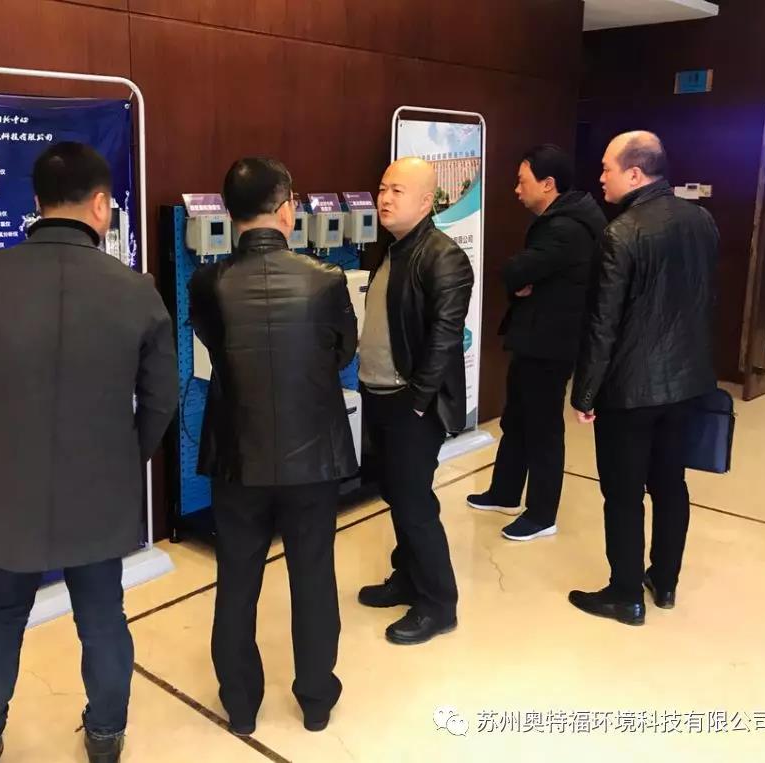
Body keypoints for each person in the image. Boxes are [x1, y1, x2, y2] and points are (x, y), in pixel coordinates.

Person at [0, 142, 178, 763]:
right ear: (100, 204)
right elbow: (161, 399)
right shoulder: (136, 290)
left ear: (38, 202)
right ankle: (105, 738)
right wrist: (126, 460)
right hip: (100, 487)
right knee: (102, 617)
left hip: (3, 486)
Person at [188, 158, 357, 736]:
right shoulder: (327, 279)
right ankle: (315, 700)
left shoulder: (206, 282)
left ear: (228, 212)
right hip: (314, 458)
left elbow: (215, 345)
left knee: (237, 581)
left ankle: (240, 705)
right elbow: (341, 352)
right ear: (287, 209)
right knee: (314, 576)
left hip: (238, 458)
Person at [569, 131, 718, 626]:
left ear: (634, 174)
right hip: (689, 383)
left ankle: (625, 594)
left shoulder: (621, 232)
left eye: (607, 168)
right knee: (671, 484)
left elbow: (602, 323)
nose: (600, 177)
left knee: (624, 493)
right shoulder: (702, 220)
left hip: (630, 390)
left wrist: (585, 392)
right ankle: (666, 581)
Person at [357, 157, 474, 645]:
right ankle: (406, 577)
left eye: (397, 191)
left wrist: (419, 402)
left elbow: (445, 339)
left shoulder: (443, 256)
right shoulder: (393, 248)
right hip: (380, 396)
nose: (384, 198)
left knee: (414, 504)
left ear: (426, 202)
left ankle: (439, 604)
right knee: (396, 495)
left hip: (411, 404)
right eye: (383, 188)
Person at [467, 145, 606, 541]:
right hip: (535, 336)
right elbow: (524, 275)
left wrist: (520, 278)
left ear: (548, 184)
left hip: (551, 342)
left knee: (543, 427)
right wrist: (524, 281)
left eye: (522, 181)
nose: (516, 189)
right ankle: (505, 491)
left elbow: (515, 269)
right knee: (517, 418)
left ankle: (542, 514)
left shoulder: (565, 228)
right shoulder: (565, 218)